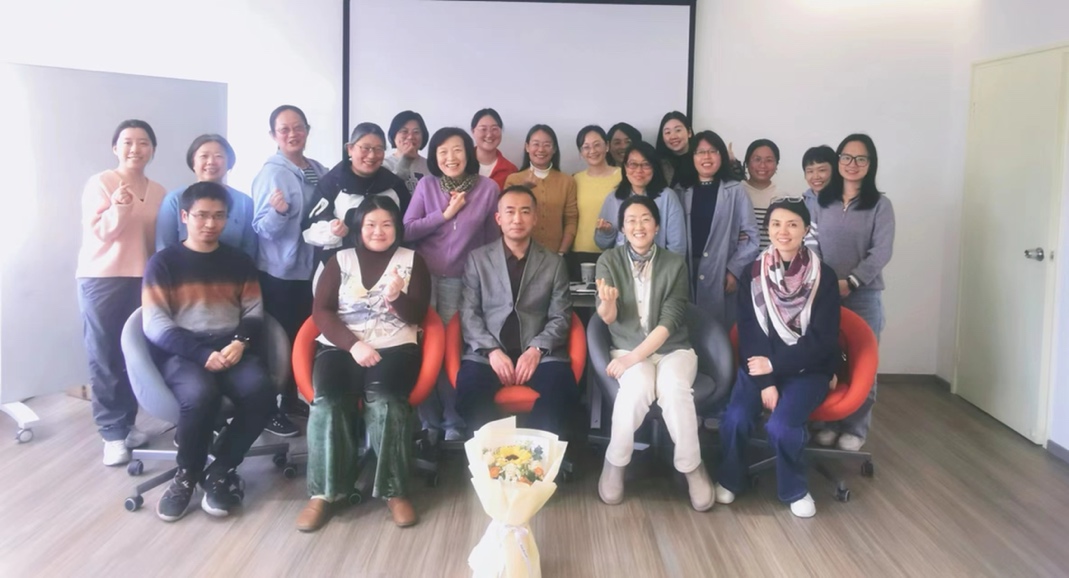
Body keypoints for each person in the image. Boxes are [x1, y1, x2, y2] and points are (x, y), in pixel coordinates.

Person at [143, 182, 276, 522]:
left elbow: (253, 311)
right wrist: (200, 354)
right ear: (184, 216)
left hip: (231, 347)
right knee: (200, 395)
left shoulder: (239, 261)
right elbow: (155, 323)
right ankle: (186, 474)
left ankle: (222, 467)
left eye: (219, 216)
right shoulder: (163, 263)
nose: (210, 223)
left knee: (262, 392)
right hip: (184, 352)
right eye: (201, 215)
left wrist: (240, 342)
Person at [297, 196, 430, 532]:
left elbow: (418, 314)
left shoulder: (413, 261)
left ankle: (395, 491)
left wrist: (397, 297)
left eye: (387, 224)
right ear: (359, 228)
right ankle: (324, 493)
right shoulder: (339, 260)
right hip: (342, 346)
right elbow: (321, 311)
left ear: (397, 228)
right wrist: (353, 345)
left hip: (395, 346)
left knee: (387, 402)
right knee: (327, 402)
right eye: (371, 224)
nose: (378, 231)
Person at [716, 198, 841, 518]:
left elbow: (823, 339)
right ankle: (731, 478)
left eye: (792, 224)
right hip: (760, 365)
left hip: (808, 368)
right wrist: (766, 380)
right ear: (767, 229)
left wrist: (776, 365)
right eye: (776, 224)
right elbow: (750, 332)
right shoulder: (753, 273)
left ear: (806, 229)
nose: (783, 231)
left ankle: (795, 489)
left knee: (782, 427)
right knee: (735, 419)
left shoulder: (824, 276)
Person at [595, 195, 713, 511]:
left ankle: (693, 468)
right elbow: (607, 317)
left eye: (646, 219)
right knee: (635, 390)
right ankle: (615, 463)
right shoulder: (608, 260)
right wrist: (607, 302)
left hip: (673, 350)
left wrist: (631, 359)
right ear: (622, 228)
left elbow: (670, 321)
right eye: (631, 220)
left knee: (674, 390)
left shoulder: (674, 263)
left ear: (657, 226)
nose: (639, 226)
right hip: (626, 345)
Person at [76, 119, 166, 466]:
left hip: (142, 278)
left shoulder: (158, 190)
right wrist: (119, 206)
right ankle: (112, 433)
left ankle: (127, 424)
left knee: (133, 353)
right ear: (115, 148)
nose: (135, 149)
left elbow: (156, 240)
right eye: (127, 142)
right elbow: (102, 233)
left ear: (152, 150)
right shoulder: (101, 183)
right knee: (105, 355)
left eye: (143, 142)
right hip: (104, 278)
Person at [455, 185, 578, 436]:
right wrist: (492, 351)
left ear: (535, 218)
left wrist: (536, 350)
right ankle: (496, 454)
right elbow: (468, 313)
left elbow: (560, 316)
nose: (517, 219)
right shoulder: (478, 259)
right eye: (510, 212)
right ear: (498, 218)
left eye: (525, 212)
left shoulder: (554, 263)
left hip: (539, 354)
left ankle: (536, 454)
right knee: (470, 392)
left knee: (559, 390)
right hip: (488, 354)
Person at [404, 127, 501, 443]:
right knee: (422, 348)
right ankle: (428, 421)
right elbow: (407, 231)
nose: (450, 157)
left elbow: (492, 241)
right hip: (423, 279)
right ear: (434, 156)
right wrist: (444, 214)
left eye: (457, 149)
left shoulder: (487, 189)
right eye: (443, 151)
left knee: (452, 351)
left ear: (468, 153)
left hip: (463, 282)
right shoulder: (426, 186)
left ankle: (452, 421)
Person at [809, 134, 895, 452]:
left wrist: (852, 282)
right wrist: (827, 282)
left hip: (864, 295)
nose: (852, 164)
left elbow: (881, 252)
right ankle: (828, 421)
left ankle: (855, 428)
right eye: (846, 157)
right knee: (826, 358)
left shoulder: (880, 206)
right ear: (838, 160)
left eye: (861, 159)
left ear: (870, 164)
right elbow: (811, 244)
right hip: (824, 294)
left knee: (862, 363)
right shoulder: (822, 201)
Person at [251, 104, 328, 437]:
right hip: (280, 273)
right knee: (276, 344)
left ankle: (291, 400)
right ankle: (268, 410)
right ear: (274, 135)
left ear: (308, 130)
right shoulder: (271, 173)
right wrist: (278, 212)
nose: (292, 134)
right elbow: (260, 228)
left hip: (310, 271)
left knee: (302, 338)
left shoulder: (318, 169)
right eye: (284, 129)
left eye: (298, 127)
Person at [679, 131, 760, 326]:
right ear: (692, 157)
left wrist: (734, 269)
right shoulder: (681, 191)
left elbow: (751, 238)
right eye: (700, 152)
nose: (706, 157)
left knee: (718, 330)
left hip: (722, 270)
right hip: (686, 269)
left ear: (721, 155)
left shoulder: (736, 190)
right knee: (687, 328)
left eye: (713, 151)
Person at [302, 123, 409, 262]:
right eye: (365, 148)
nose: (371, 155)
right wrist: (332, 230)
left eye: (379, 149)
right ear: (350, 149)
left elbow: (408, 227)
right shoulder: (332, 183)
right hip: (341, 264)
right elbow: (308, 230)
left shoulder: (395, 185)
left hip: (387, 264)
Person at [156, 134, 257, 259]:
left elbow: (250, 248)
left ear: (229, 162)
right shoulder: (175, 199)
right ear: (193, 162)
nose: (211, 162)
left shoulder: (244, 202)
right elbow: (164, 247)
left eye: (219, 156)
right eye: (204, 156)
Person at [594, 142, 686, 255]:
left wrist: (667, 267)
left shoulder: (668, 197)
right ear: (625, 167)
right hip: (621, 265)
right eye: (633, 164)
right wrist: (607, 233)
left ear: (654, 168)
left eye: (646, 164)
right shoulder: (613, 198)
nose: (639, 170)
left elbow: (677, 247)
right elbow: (602, 245)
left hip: (659, 265)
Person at [503, 124, 578, 255]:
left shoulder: (567, 181)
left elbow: (571, 220)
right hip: (520, 255)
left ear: (554, 149)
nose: (541, 149)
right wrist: (523, 189)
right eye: (536, 144)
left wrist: (561, 253)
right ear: (527, 147)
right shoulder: (513, 179)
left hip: (555, 255)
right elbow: (506, 216)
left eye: (547, 145)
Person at [570, 125, 622, 280]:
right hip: (580, 252)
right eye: (586, 147)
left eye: (597, 145)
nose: (592, 151)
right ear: (581, 153)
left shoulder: (623, 176)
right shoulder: (575, 179)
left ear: (607, 146)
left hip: (614, 251)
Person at [741, 139, 781, 250]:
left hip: (772, 260)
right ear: (747, 163)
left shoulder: (783, 197)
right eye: (757, 159)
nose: (762, 165)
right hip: (738, 260)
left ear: (776, 164)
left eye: (769, 160)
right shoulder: (735, 193)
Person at [799, 145, 837, 252]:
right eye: (810, 171)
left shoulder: (843, 202)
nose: (816, 176)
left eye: (822, 170)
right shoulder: (801, 203)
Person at [471, 108, 518, 190]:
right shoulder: (461, 164)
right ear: (473, 131)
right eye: (483, 129)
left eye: (494, 129)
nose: (489, 135)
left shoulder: (511, 170)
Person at [384, 110, 430, 193]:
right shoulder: (384, 165)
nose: (410, 137)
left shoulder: (430, 166)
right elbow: (387, 192)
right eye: (404, 131)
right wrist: (406, 160)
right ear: (394, 135)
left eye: (416, 132)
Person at [655, 111, 695, 191]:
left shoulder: (701, 159)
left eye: (678, 130)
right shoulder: (658, 165)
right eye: (667, 132)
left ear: (689, 132)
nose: (673, 136)